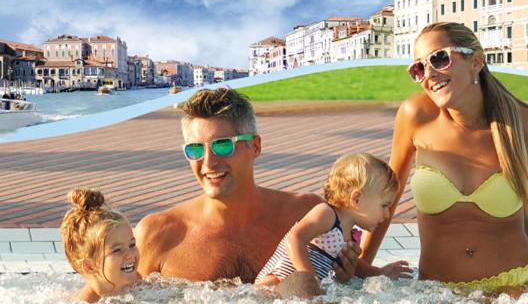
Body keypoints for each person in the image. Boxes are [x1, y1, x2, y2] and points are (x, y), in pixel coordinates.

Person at [136, 88, 411, 291]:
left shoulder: (305, 213)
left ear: (254, 147)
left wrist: (346, 280)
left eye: (222, 145)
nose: (208, 162)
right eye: (194, 149)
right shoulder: (158, 234)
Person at [361, 22, 528, 295]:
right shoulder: (416, 116)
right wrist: (361, 267)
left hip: (516, 286)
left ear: (476, 61)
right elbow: (385, 200)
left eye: (439, 58)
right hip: (438, 289)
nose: (429, 74)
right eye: (419, 68)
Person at [255, 153, 410, 297]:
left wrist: (380, 272)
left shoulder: (349, 234)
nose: (387, 214)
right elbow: (295, 239)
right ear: (356, 198)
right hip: (276, 281)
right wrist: (309, 278)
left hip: (300, 291)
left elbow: (356, 266)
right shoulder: (327, 214)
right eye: (384, 205)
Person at [60, 188, 141, 303]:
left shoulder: (137, 282)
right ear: (89, 266)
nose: (129, 254)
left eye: (132, 244)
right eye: (117, 250)